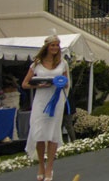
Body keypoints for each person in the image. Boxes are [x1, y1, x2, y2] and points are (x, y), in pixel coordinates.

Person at [23, 33, 70, 181]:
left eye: (57, 45)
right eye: (52, 45)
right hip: (41, 100)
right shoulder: (36, 64)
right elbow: (25, 84)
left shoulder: (62, 63)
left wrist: (59, 83)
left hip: (56, 100)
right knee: (39, 133)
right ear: (47, 47)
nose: (55, 48)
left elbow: (67, 83)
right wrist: (39, 85)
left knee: (53, 133)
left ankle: (50, 167)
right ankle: (41, 166)